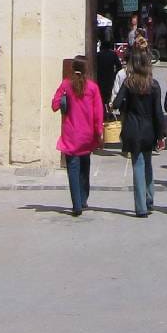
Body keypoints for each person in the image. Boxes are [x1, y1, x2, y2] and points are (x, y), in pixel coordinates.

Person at [113, 43, 167, 216]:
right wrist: (161, 135)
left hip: (132, 127)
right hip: (149, 128)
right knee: (148, 163)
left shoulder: (129, 83)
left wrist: (125, 105)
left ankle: (141, 206)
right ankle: (150, 199)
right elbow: (158, 112)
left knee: (137, 164)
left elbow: (115, 103)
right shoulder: (154, 85)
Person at [52, 56, 104, 216]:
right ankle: (83, 198)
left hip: (70, 134)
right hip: (87, 135)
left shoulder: (66, 85)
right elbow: (98, 113)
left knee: (73, 169)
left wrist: (63, 101)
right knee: (85, 167)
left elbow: (54, 105)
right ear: (86, 70)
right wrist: (99, 133)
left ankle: (76, 205)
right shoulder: (93, 88)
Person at [95, 35, 121, 109]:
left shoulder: (98, 55)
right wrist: (115, 74)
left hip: (100, 77)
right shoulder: (113, 54)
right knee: (109, 95)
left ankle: (103, 110)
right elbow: (119, 66)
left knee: (101, 95)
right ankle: (108, 111)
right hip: (110, 77)